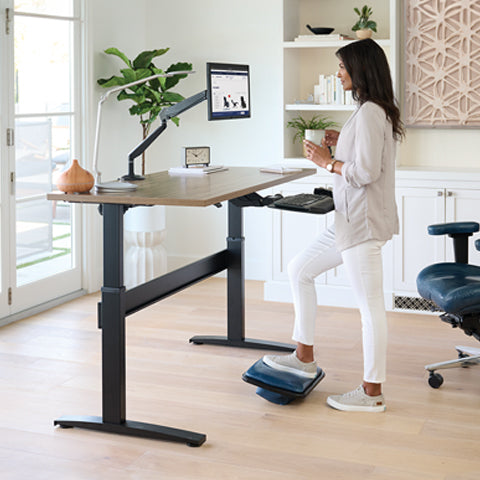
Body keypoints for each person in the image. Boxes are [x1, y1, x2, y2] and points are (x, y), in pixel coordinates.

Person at [264, 39, 405, 412]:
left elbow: (365, 172)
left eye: (342, 67)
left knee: (369, 307)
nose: (338, 73)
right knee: (299, 270)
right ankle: (304, 355)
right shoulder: (368, 111)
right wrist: (340, 145)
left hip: (362, 223)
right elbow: (362, 157)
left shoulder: (372, 112)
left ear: (359, 70)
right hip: (348, 219)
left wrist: (328, 162)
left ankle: (372, 393)